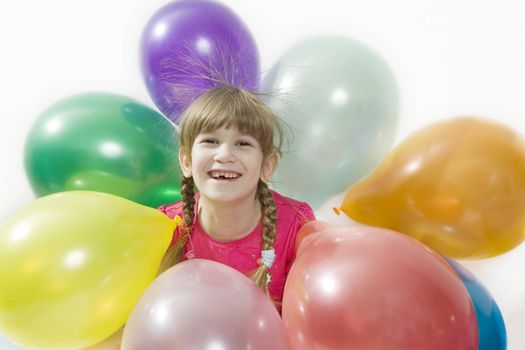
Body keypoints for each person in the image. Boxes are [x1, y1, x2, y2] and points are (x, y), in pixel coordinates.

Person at [158, 86, 315, 307]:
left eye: (243, 143)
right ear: (186, 161)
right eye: (210, 141)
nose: (224, 155)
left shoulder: (296, 225)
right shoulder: (165, 227)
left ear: (267, 165)